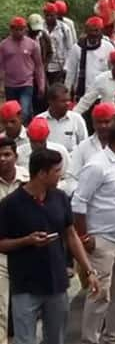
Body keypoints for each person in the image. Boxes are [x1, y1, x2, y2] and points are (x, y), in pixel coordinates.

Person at [0, 148, 99, 344]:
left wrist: (89, 270)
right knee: (24, 339)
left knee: (56, 338)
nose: (60, 175)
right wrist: (27, 241)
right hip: (25, 285)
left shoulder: (60, 198)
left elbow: (71, 236)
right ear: (41, 173)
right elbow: (1, 244)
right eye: (56, 171)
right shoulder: (10, 205)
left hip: (56, 283)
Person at [73, 122, 115, 344]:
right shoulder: (97, 166)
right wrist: (84, 237)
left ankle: (113, 337)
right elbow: (79, 203)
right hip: (101, 239)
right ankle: (90, 339)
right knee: (100, 294)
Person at [0, 136, 28, 343]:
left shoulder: (29, 180)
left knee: (27, 310)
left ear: (16, 156)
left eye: (7, 154)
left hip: (28, 250)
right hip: (1, 253)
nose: (2, 159)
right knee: (1, 308)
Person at [0, 16, 46, 121]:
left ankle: (25, 131)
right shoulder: (4, 45)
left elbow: (39, 66)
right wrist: (1, 85)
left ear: (25, 29)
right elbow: (1, 66)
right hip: (10, 85)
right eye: (16, 29)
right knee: (12, 113)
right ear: (11, 29)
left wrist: (41, 85)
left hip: (26, 83)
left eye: (21, 29)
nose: (19, 32)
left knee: (24, 111)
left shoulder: (32, 44)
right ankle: (15, 133)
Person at [65, 17, 115, 102]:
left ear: (101, 31)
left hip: (102, 95)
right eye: (91, 31)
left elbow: (113, 71)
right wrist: (67, 93)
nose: (93, 34)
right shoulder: (77, 48)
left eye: (96, 30)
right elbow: (70, 73)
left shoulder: (108, 47)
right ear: (86, 31)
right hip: (83, 95)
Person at [37, 84, 88, 153]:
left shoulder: (77, 119)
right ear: (51, 102)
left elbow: (84, 145)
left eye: (68, 100)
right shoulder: (39, 120)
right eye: (63, 101)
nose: (68, 104)